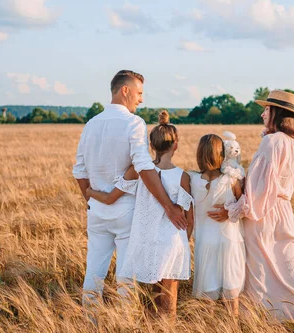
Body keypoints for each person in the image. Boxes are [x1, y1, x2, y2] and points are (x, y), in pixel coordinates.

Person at [72, 70, 187, 306]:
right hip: (125, 212)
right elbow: (144, 166)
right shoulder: (134, 123)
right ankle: (124, 326)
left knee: (93, 271)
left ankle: (89, 323)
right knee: (126, 274)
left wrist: (93, 200)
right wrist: (168, 206)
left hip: (96, 212)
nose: (141, 99)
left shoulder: (91, 124)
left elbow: (79, 171)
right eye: (139, 93)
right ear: (125, 90)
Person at [210, 89, 294, 323]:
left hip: (262, 213)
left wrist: (233, 210)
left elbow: (260, 190)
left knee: (259, 267)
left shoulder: (272, 141)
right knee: (288, 263)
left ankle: (259, 319)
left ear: (276, 112)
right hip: (284, 211)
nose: (262, 114)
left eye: (266, 109)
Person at [87, 111, 194, 318]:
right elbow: (188, 218)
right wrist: (185, 242)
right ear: (176, 145)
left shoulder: (138, 170)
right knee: (170, 295)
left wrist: (90, 192)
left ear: (151, 146)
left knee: (155, 296)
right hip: (172, 242)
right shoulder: (183, 177)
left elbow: (111, 198)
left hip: (149, 241)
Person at [190, 134, 244, 316]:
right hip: (228, 241)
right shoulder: (231, 179)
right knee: (231, 294)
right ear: (222, 154)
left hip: (205, 243)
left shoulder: (192, 181)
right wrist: (229, 211)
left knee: (207, 296)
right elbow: (243, 204)